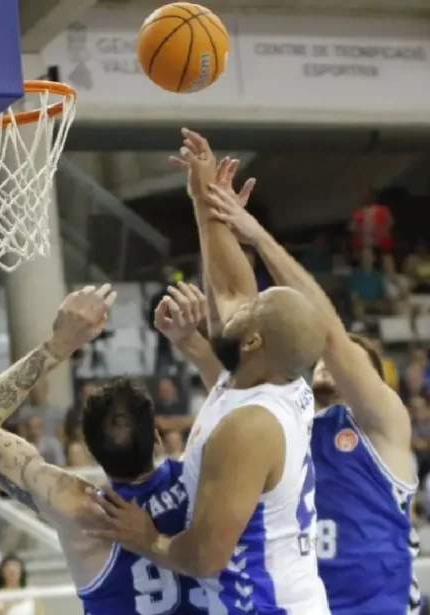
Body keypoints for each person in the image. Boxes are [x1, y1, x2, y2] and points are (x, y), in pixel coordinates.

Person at [89, 130, 328, 614]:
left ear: (255, 340)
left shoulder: (249, 428)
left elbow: (204, 557)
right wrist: (204, 203)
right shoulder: (266, 372)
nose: (238, 304)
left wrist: (148, 537)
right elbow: (230, 287)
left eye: (252, 310)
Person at [182, 139, 419, 614]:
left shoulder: (380, 425)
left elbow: (328, 336)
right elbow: (235, 327)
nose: (329, 365)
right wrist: (207, 205)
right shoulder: (289, 409)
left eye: (354, 363)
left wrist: (258, 236)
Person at [0, 284, 207, 615]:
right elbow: (242, 395)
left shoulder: (78, 509)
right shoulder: (199, 477)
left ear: (90, 449)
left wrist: (60, 345)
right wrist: (195, 341)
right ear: (157, 438)